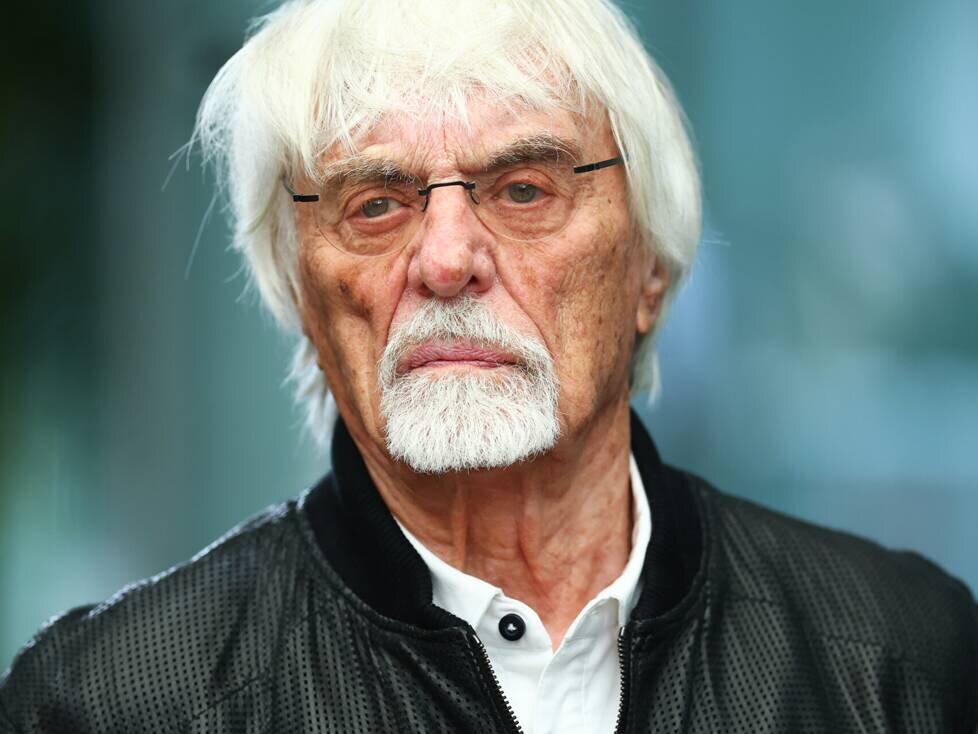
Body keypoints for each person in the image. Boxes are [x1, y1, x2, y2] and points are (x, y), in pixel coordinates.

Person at [1, 0, 975, 731]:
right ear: (303, 296)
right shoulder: (116, 702)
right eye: (376, 204)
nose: (446, 259)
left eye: (523, 189)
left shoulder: (895, 654)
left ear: (650, 269)